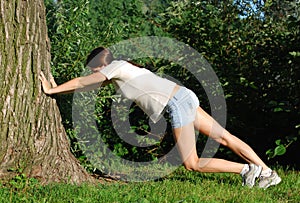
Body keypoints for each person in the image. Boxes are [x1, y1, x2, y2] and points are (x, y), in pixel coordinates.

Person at [39, 46, 281, 189]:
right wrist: (60, 88)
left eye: (93, 69)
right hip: (184, 96)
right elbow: (87, 85)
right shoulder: (126, 68)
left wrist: (52, 89)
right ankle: (269, 173)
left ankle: (247, 170)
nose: (92, 74)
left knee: (192, 163)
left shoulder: (115, 68)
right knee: (226, 138)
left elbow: (84, 82)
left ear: (100, 66)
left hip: (176, 104)